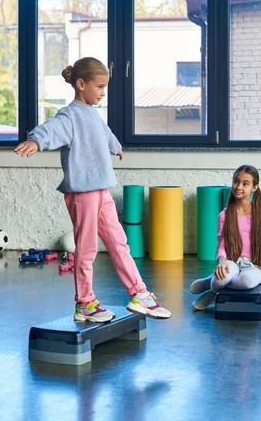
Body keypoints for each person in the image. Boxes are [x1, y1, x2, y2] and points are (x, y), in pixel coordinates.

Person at [15, 57, 171, 322]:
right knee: (86, 250)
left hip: (101, 190)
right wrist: (36, 140)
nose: (102, 92)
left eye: (104, 87)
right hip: (82, 193)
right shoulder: (70, 115)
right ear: (80, 84)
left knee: (120, 243)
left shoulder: (93, 115)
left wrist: (116, 146)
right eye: (99, 87)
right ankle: (84, 303)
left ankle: (139, 293)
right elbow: (52, 129)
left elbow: (105, 134)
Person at [190, 165, 261, 310]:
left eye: (245, 184)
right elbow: (221, 246)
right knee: (221, 278)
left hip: (254, 266)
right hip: (232, 261)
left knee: (245, 282)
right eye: (236, 181)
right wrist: (222, 262)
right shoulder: (224, 215)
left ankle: (212, 286)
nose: (238, 187)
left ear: (254, 188)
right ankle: (214, 286)